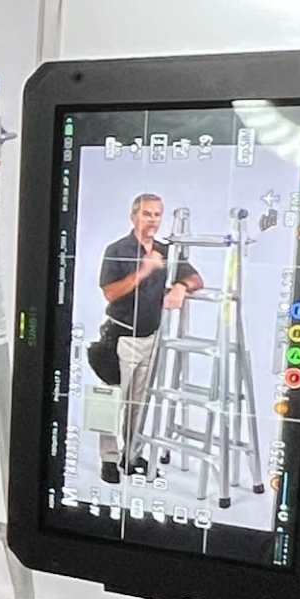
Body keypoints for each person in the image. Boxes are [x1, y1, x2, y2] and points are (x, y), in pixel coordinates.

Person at [94, 192, 203, 486]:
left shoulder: (167, 251)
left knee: (138, 403)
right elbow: (110, 293)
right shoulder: (117, 249)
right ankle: (108, 458)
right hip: (119, 338)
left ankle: (131, 455)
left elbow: (197, 279)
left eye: (157, 214)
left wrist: (181, 286)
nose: (152, 220)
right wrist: (144, 271)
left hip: (151, 339)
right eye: (146, 214)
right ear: (134, 217)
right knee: (109, 400)